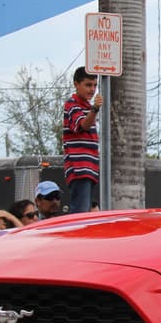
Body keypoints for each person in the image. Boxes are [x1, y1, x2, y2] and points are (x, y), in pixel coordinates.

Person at [63, 66, 103, 214]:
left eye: (94, 85)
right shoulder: (73, 104)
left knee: (85, 210)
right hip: (79, 167)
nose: (92, 90)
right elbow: (83, 125)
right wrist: (95, 109)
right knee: (80, 212)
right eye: (88, 85)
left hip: (89, 167)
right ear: (76, 84)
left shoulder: (85, 106)